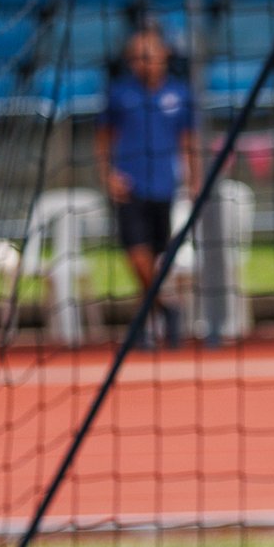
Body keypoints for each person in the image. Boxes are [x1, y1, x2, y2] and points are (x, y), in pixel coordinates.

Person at [97, 20, 194, 336]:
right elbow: (103, 138)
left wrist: (194, 179)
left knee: (155, 259)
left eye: (147, 54)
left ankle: (144, 325)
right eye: (136, 56)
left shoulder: (180, 93)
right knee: (136, 255)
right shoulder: (120, 93)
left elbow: (188, 140)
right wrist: (108, 174)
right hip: (130, 186)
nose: (142, 62)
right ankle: (166, 308)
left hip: (164, 186)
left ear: (164, 53)